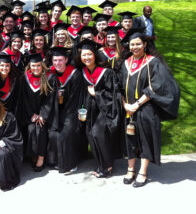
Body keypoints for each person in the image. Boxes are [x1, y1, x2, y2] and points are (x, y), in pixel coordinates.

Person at [117, 28, 179, 187]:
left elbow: (156, 87)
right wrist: (125, 105)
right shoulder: (125, 63)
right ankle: (130, 169)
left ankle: (142, 172)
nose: (135, 47)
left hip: (147, 109)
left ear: (145, 44)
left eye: (138, 44)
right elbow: (119, 87)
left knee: (145, 140)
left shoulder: (153, 62)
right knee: (129, 139)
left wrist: (136, 105)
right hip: (128, 109)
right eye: (132, 44)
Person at [74, 39, 121, 178]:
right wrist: (80, 109)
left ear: (95, 55)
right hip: (89, 109)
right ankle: (102, 164)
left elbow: (113, 94)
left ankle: (107, 166)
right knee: (90, 133)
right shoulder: (81, 72)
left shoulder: (106, 72)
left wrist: (97, 94)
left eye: (89, 54)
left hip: (105, 109)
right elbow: (80, 94)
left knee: (98, 133)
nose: (86, 57)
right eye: (84, 55)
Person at [46, 47, 83, 173]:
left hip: (70, 111)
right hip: (53, 111)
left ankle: (69, 164)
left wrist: (63, 115)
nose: (57, 63)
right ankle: (54, 161)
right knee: (52, 132)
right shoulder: (50, 73)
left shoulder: (75, 74)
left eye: (60, 60)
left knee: (65, 133)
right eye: (55, 60)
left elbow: (75, 98)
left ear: (66, 60)